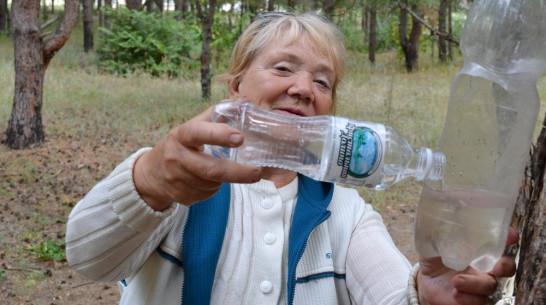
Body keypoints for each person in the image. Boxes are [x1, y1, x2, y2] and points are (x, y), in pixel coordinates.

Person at [66, 12, 517, 305]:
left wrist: (428, 294)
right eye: (283, 68)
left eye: (323, 82)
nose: (303, 88)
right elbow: (87, 258)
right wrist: (149, 181)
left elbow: (390, 295)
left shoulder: (344, 213)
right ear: (236, 88)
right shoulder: (178, 174)